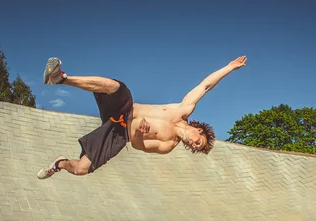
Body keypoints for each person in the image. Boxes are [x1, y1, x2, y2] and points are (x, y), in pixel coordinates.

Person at [36, 55, 247, 179]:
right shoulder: (183, 109)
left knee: (82, 169)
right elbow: (205, 86)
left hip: (120, 134)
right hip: (123, 108)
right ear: (199, 130)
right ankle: (60, 78)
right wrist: (229, 67)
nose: (193, 144)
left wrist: (138, 132)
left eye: (195, 148)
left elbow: (138, 145)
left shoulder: (168, 144)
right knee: (115, 86)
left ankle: (59, 164)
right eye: (198, 142)